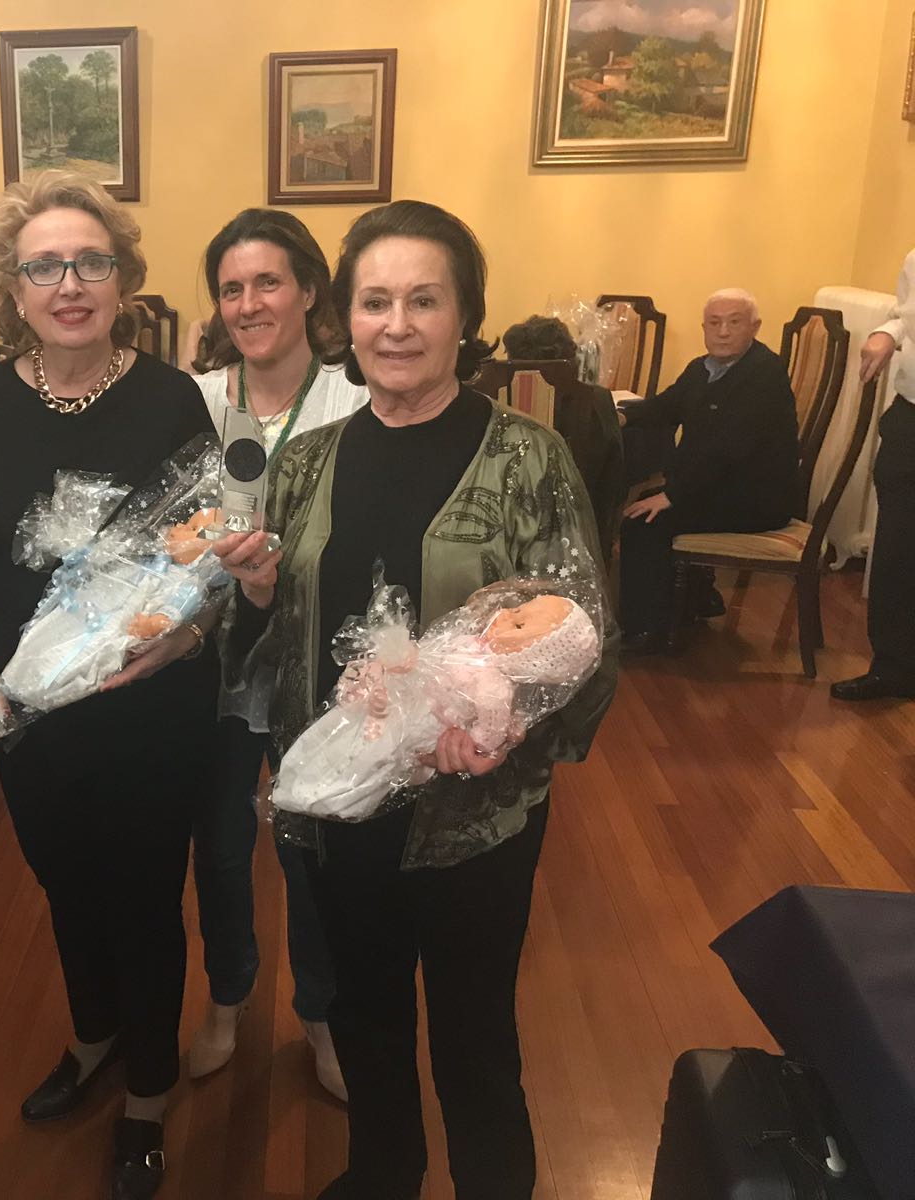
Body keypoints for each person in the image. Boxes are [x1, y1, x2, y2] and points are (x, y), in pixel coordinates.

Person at [214, 200, 617, 1200]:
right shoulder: (306, 462)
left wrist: (503, 727)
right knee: (365, 1017)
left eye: (424, 301)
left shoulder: (528, 457)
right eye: (375, 301)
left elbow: (583, 635)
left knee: (476, 1039)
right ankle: (382, 1173)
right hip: (340, 807)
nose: (396, 326)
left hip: (473, 815)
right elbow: (271, 649)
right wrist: (254, 594)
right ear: (343, 318)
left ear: (465, 315)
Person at [0, 171, 215, 1200]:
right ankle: (96, 1036)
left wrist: (180, 642)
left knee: (143, 897)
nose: (69, 284)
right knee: (64, 883)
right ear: (12, 288)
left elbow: (212, 550)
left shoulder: (170, 398)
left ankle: (148, 1090)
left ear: (122, 278)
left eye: (90, 262)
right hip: (26, 710)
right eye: (44, 266)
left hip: (148, 707)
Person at [186, 208, 365, 1099]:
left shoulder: (353, 399)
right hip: (208, 662)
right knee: (220, 847)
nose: (249, 303)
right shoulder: (193, 400)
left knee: (309, 848)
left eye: (268, 282)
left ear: (308, 291)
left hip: (311, 663)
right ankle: (227, 998)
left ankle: (322, 1015)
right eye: (232, 288)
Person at [618, 289, 798, 653]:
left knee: (642, 520)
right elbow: (666, 406)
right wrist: (621, 416)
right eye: (714, 323)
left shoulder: (764, 375)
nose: (723, 332)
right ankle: (696, 598)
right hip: (719, 487)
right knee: (646, 501)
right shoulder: (703, 369)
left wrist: (674, 495)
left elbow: (728, 451)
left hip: (755, 498)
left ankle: (647, 632)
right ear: (704, 328)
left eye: (734, 322)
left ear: (755, 327)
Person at [833, 250, 915, 701]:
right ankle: (894, 668)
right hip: (910, 415)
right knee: (896, 550)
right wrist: (888, 332)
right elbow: (906, 312)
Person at [501, 315, 627, 562]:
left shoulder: (495, 396)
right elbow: (614, 476)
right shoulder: (595, 399)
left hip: (505, 531)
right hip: (578, 533)